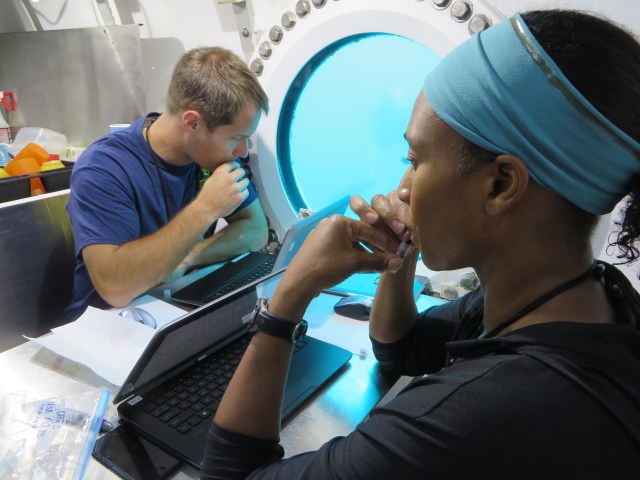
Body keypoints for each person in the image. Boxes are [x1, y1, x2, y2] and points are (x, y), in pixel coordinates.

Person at [200, 9, 640, 479]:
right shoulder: (587, 293)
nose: (402, 188)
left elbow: (228, 474)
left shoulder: (470, 418)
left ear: (500, 185)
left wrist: (289, 294)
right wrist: (400, 254)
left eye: (415, 159)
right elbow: (403, 349)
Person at [65, 47, 269, 319]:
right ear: (192, 123)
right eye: (236, 138)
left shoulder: (212, 158)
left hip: (175, 307)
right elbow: (116, 289)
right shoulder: (104, 167)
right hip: (107, 326)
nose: (243, 151)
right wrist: (205, 209)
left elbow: (256, 230)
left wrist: (189, 256)